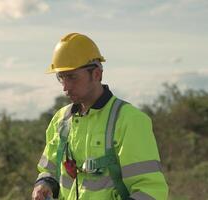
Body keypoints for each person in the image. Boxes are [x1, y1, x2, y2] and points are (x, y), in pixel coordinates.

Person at [32, 33, 168, 200]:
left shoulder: (130, 120)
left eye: (72, 77)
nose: (65, 87)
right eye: (61, 77)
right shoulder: (61, 119)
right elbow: (49, 168)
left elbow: (150, 190)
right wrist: (44, 183)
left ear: (97, 74)